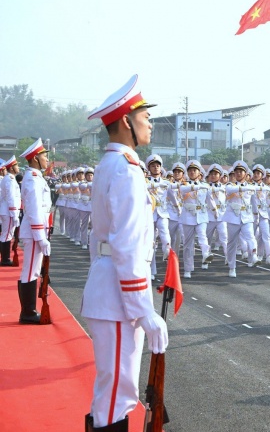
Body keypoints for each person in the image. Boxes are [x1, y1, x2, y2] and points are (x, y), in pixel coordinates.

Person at [82, 75, 168, 430]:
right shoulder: (127, 170)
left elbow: (101, 240)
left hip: (109, 287)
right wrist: (144, 312)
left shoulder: (111, 165)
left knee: (113, 390)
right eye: (144, 115)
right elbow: (128, 247)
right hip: (119, 296)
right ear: (125, 122)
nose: (150, 122)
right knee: (118, 393)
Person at [17, 141, 52, 324]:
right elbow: (34, 210)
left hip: (36, 231)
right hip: (33, 232)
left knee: (34, 270)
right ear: (36, 158)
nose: (47, 159)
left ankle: (29, 310)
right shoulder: (32, 177)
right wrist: (41, 237)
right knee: (30, 271)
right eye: (45, 156)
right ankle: (28, 312)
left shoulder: (36, 177)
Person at [1, 155, 21, 266]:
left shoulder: (9, 179)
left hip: (7, 210)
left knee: (6, 234)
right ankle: (5, 259)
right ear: (12, 167)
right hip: (8, 211)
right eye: (16, 165)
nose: (18, 167)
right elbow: (11, 198)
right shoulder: (10, 179)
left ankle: (5, 257)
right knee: (7, 235)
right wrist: (14, 215)